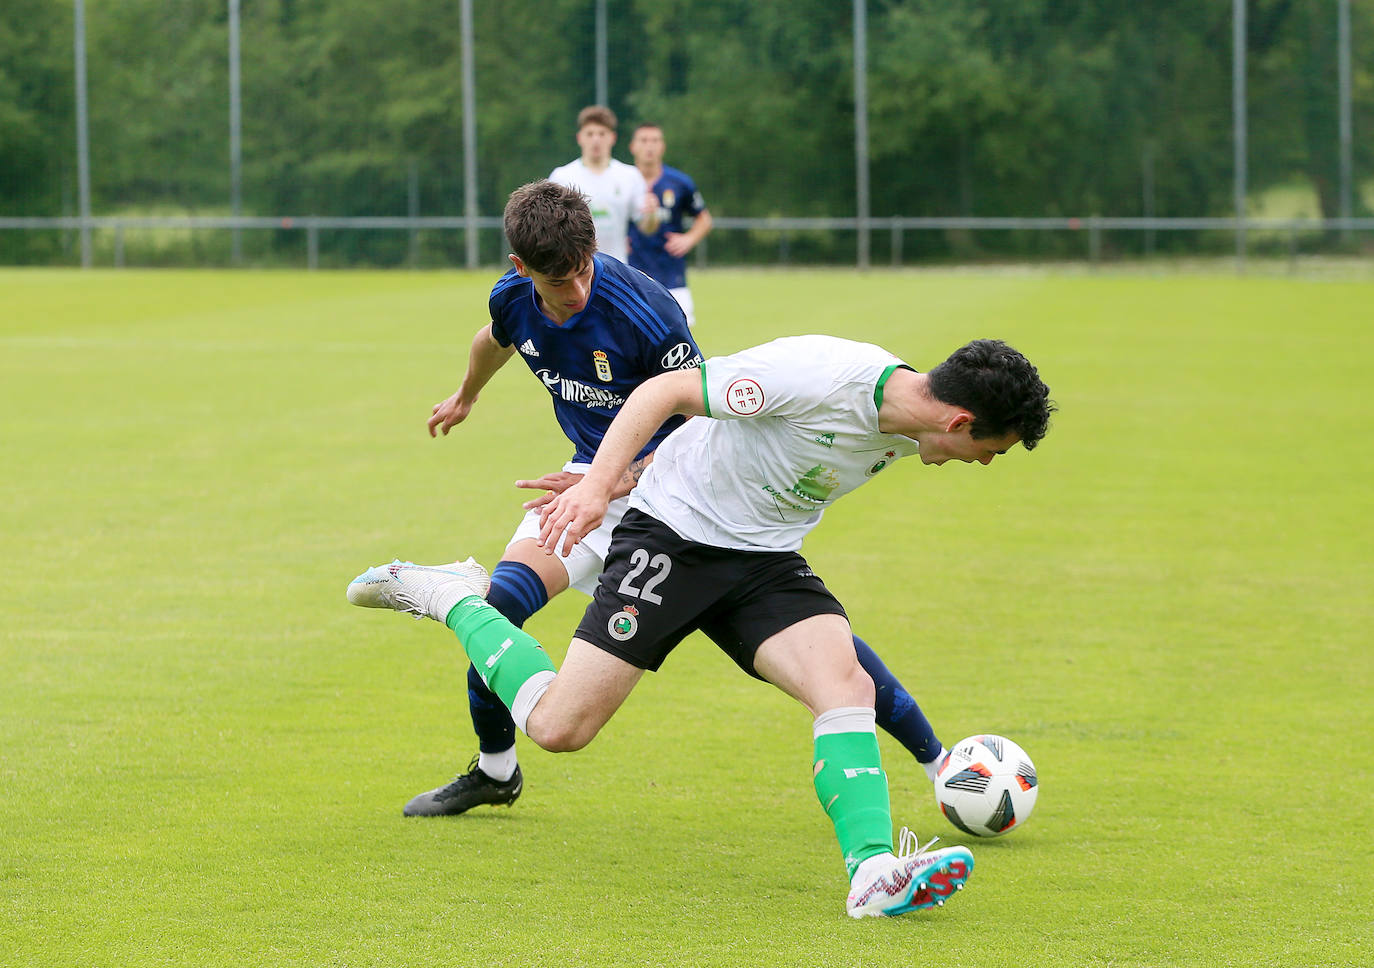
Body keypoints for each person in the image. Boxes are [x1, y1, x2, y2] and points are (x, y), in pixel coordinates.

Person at [349, 334, 1055, 917]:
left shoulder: (911, 424)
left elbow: (716, 438)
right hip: (673, 539)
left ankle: (871, 871)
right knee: (560, 728)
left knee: (845, 687)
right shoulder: (819, 377)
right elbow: (667, 393)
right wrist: (598, 484)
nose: (983, 464)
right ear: (959, 423)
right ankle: (450, 595)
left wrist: (627, 473)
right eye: (990, 450)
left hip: (765, 560)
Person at [367, 180, 956, 820]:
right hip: (589, 483)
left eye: (585, 270)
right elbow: (494, 339)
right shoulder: (512, 298)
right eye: (559, 281)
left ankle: (938, 763)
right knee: (500, 606)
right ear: (521, 269)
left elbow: (697, 420)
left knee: (804, 638)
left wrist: (615, 480)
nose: (577, 290)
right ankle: (495, 771)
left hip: (675, 491)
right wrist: (467, 395)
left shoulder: (646, 313)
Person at [627, 123, 713, 327]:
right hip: (630, 272)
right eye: (644, 140)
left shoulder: (679, 182)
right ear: (633, 146)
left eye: (655, 140)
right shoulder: (622, 181)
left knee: (680, 332)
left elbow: (704, 219)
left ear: (663, 146)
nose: (649, 146)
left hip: (671, 274)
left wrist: (688, 239)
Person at [549, 105, 658, 264]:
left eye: (602, 134)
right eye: (590, 134)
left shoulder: (630, 175)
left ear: (612, 137)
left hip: (616, 266)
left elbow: (647, 227)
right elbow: (551, 227)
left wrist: (652, 214)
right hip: (574, 267)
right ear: (579, 138)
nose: (596, 139)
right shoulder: (562, 176)